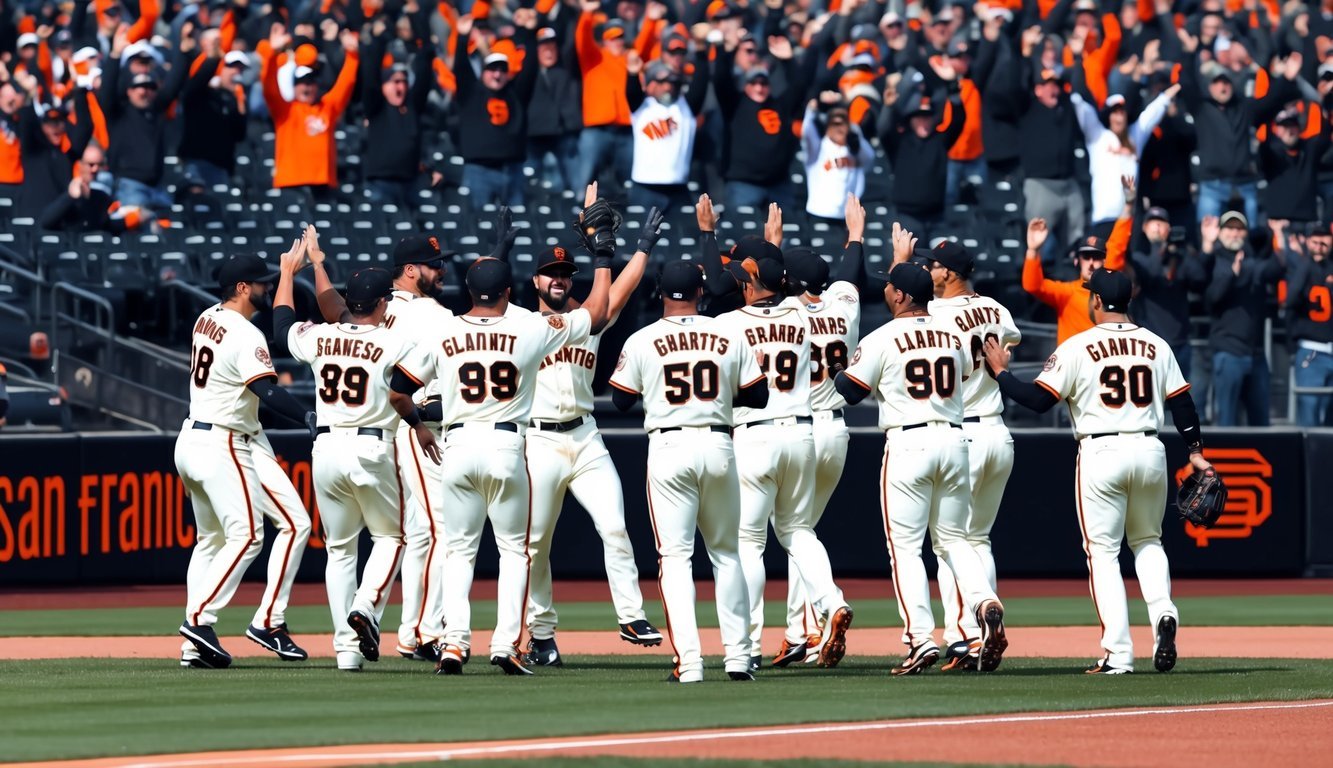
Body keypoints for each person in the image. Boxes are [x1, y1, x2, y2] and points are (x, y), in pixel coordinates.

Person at [390, 197, 615, 676]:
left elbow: (397, 393)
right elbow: (595, 313)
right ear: (510, 291)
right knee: (515, 549)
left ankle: (453, 644)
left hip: (457, 445)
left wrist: (418, 426)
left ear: (467, 290)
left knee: (457, 550)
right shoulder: (529, 328)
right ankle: (504, 644)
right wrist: (602, 257)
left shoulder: (444, 331)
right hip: (508, 446)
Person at [985, 268, 1213, 674]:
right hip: (1148, 448)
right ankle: (1163, 611)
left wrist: (1001, 372)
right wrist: (1195, 452)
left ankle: (1119, 653)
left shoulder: (1078, 345)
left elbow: (1037, 401)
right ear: (1128, 300)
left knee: (1104, 554)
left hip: (1101, 449)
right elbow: (1183, 405)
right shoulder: (1156, 344)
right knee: (1148, 540)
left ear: (1094, 302)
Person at [696, 195, 853, 673]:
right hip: (802, 434)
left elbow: (721, 287)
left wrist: (708, 234)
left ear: (750, 286)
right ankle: (830, 601)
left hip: (754, 437)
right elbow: (783, 288)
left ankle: (746, 642)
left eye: (745, 280)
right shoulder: (805, 318)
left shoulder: (728, 325)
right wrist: (773, 251)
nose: (738, 286)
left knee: (748, 542)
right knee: (799, 530)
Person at [834, 258, 1008, 676]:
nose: (886, 291)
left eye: (891, 286)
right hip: (953, 439)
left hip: (909, 441)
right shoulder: (952, 334)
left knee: (907, 549)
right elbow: (966, 373)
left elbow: (851, 391)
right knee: (954, 540)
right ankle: (985, 601)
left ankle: (921, 639)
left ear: (902, 296)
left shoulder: (883, 337)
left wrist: (839, 371)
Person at [273, 248, 441, 672]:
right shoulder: (394, 340)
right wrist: (419, 423)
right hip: (372, 446)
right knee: (392, 538)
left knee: (340, 550)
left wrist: (287, 273)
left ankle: (346, 652)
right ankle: (366, 606)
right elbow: (403, 393)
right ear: (383, 303)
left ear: (351, 302)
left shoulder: (322, 336)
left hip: (325, 449)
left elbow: (280, 329)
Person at [608, 260, 768, 683]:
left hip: (669, 444)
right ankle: (738, 657)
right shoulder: (728, 332)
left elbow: (620, 399)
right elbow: (760, 394)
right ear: (701, 292)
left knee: (675, 558)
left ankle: (691, 663)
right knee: (727, 554)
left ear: (660, 293)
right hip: (718, 443)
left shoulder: (643, 338)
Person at [523, 206, 666, 667]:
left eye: (565, 272)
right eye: (550, 273)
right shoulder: (520, 328)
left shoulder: (588, 319)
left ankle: (630, 615)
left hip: (585, 438)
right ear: (535, 283)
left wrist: (641, 247)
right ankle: (541, 634)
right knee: (536, 543)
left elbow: (620, 290)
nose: (559, 279)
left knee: (615, 525)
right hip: (537, 441)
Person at [308, 231, 455, 663]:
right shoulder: (434, 316)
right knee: (424, 531)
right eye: (434, 264)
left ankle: (351, 649)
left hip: (340, 438)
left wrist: (313, 265)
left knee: (351, 547)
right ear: (409, 271)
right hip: (402, 427)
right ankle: (416, 628)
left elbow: (327, 308)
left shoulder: (356, 317)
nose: (441, 269)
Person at [175, 249, 315, 669]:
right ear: (242, 288)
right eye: (260, 282)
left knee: (282, 526)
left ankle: (257, 624)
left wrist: (291, 270)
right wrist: (308, 416)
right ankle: (199, 622)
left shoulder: (207, 317)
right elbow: (267, 392)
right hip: (225, 442)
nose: (266, 287)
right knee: (248, 535)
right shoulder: (244, 334)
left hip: (201, 437)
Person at [774, 193, 865, 665]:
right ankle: (800, 632)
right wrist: (855, 236)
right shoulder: (843, 307)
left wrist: (772, 245)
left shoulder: (785, 315)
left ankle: (818, 615)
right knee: (802, 530)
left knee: (793, 530)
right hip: (837, 431)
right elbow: (849, 274)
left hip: (800, 430)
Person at [923, 239, 1021, 671]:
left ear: (950, 273)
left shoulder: (938, 313)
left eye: (934, 266)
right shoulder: (998, 309)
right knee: (977, 539)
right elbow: (1008, 343)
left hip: (963, 433)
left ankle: (965, 633)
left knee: (950, 542)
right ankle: (985, 616)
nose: (928, 271)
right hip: (998, 431)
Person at [1022, 176, 1132, 345]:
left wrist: (1129, 205)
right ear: (1077, 261)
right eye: (1086, 257)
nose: (1091, 262)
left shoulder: (1112, 292)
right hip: (1074, 370)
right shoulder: (1066, 293)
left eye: (1096, 257)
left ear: (1105, 261)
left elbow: (1117, 244)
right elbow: (1033, 286)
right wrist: (1033, 250)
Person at [1068, 78, 1178, 238]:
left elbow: (1152, 113)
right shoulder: (1098, 136)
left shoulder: (1135, 136)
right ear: (1108, 115)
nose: (1119, 116)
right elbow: (1083, 109)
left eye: (1122, 111)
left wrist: (1168, 95)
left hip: (1129, 218)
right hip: (1103, 218)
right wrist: (1071, 93)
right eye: (1114, 112)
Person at [1203, 211, 1284, 426]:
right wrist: (1232, 274)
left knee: (1261, 425)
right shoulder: (1213, 260)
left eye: (1239, 228)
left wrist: (1278, 235)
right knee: (1227, 423)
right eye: (1229, 228)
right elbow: (1211, 298)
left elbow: (1276, 270)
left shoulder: (1252, 260)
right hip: (1228, 352)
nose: (1234, 233)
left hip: (1256, 354)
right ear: (1220, 232)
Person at [263, 23, 360, 201]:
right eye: (302, 82)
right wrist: (271, 54)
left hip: (322, 185)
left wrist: (352, 55)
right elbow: (269, 88)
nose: (306, 86)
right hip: (291, 184)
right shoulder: (285, 109)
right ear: (294, 85)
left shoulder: (327, 107)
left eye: (310, 82)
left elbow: (345, 85)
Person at [453, 12, 539, 208]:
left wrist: (530, 32)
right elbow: (461, 68)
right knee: (479, 226)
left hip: (513, 170)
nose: (497, 74)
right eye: (492, 69)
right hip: (479, 171)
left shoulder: (515, 94)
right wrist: (462, 37)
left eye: (502, 70)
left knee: (517, 228)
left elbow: (531, 67)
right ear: (484, 71)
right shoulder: (470, 93)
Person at [714, 35, 807, 213]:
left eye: (763, 83)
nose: (759, 88)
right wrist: (727, 51)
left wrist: (788, 60)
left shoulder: (780, 105)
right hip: (743, 185)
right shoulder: (734, 103)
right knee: (743, 238)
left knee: (782, 238)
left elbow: (799, 86)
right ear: (745, 84)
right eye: (754, 82)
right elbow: (721, 79)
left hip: (779, 185)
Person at [99, 28, 188, 213]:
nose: (143, 91)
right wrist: (115, 55)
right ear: (129, 90)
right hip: (129, 187)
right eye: (138, 87)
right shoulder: (118, 112)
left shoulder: (156, 110)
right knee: (137, 239)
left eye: (149, 87)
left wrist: (184, 51)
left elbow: (174, 84)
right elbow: (106, 92)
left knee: (168, 238)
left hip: (158, 188)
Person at [877, 73, 965, 243]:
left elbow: (958, 121)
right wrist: (889, 107)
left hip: (936, 216)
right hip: (907, 216)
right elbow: (884, 130)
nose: (924, 122)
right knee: (910, 264)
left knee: (938, 265)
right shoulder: (900, 141)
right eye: (919, 118)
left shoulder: (940, 140)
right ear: (910, 120)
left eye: (927, 118)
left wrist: (953, 91)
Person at [1128, 207, 1210, 380]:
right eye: (1152, 222)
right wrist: (1162, 251)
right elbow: (1148, 275)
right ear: (1144, 227)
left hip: (1179, 343)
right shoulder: (1140, 257)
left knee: (1180, 404)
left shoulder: (1181, 256)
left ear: (1169, 229)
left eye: (1162, 222)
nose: (1157, 226)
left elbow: (1199, 279)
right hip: (1148, 346)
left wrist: (1182, 252)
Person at [360, 24, 435, 208]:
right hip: (381, 184)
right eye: (395, 82)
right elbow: (370, 79)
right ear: (384, 86)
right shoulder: (376, 107)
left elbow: (424, 77)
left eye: (403, 82)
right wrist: (378, 42)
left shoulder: (412, 107)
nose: (399, 87)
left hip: (410, 184)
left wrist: (423, 42)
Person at [625, 55, 708, 212]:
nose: (667, 87)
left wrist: (701, 52)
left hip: (678, 187)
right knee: (639, 234)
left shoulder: (685, 107)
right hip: (644, 186)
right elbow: (632, 92)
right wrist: (633, 75)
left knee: (682, 235)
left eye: (672, 83)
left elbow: (700, 84)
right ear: (650, 85)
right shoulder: (642, 107)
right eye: (661, 82)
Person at [1275, 220, 1333, 426]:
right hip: (1311, 352)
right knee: (1309, 419)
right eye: (1314, 239)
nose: (1319, 244)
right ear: (1307, 241)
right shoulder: (1302, 267)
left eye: (1324, 238)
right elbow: (1290, 301)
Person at [574, 1, 633, 188]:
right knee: (585, 183)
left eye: (620, 37)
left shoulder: (630, 59)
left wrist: (650, 21)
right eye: (611, 37)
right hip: (596, 131)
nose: (616, 41)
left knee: (630, 183)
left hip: (625, 131)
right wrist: (586, 14)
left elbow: (646, 44)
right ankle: (581, 214)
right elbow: (582, 39)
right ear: (604, 40)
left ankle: (629, 215)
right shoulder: (594, 57)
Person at [178, 34, 248, 189]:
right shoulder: (202, 94)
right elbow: (194, 85)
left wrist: (241, 107)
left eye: (240, 69)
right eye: (231, 67)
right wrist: (212, 60)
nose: (236, 73)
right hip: (196, 163)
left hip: (221, 167)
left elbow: (239, 135)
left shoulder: (235, 100)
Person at [802, 93, 875, 230]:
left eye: (842, 123)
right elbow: (807, 132)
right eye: (835, 123)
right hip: (819, 213)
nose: (839, 127)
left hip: (846, 216)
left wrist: (854, 132)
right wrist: (811, 110)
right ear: (827, 126)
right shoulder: (818, 148)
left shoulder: (855, 149)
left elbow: (870, 159)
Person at [526, 27, 582, 190]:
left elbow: (573, 40)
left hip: (564, 133)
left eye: (552, 47)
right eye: (544, 48)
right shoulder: (528, 73)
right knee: (532, 181)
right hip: (535, 135)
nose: (548, 52)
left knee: (572, 183)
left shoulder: (567, 69)